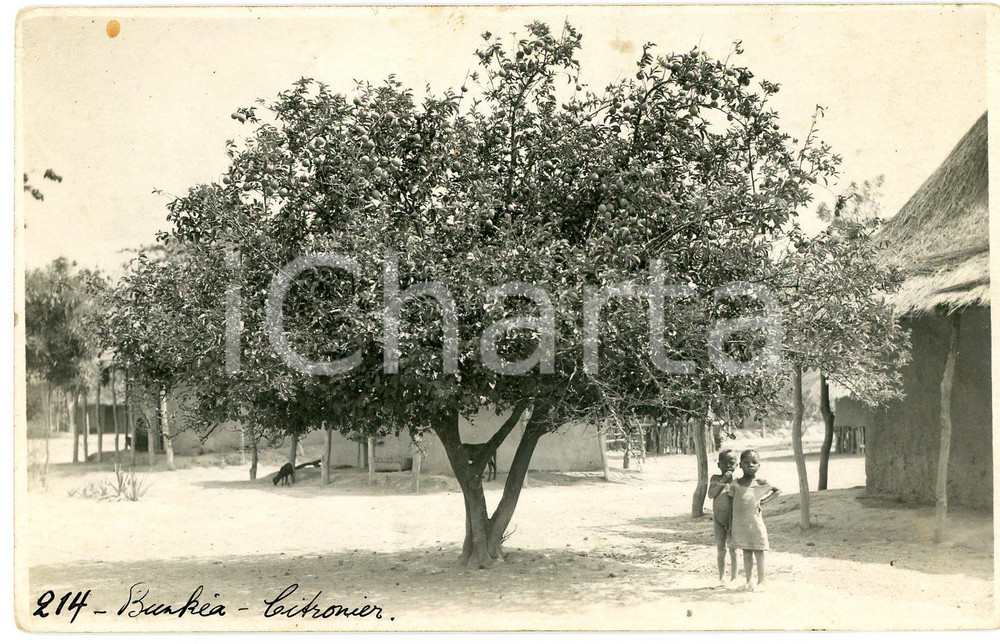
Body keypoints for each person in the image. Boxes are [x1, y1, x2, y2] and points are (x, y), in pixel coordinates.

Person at [728, 449, 780, 592]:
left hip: (755, 523)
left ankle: (762, 581)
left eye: (754, 462)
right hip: (740, 523)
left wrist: (763, 501)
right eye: (746, 462)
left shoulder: (760, 482)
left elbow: (777, 491)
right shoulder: (735, 484)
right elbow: (732, 500)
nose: (750, 465)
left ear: (759, 465)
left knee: (759, 551)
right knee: (746, 552)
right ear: (740, 465)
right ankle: (749, 581)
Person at [707, 449, 739, 587]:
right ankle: (721, 578)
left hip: (733, 520)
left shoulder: (738, 482)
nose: (728, 466)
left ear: (737, 465)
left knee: (733, 549)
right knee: (721, 549)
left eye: (731, 463)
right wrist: (723, 480)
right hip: (719, 520)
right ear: (719, 465)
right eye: (724, 463)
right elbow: (711, 494)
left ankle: (734, 578)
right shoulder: (715, 478)